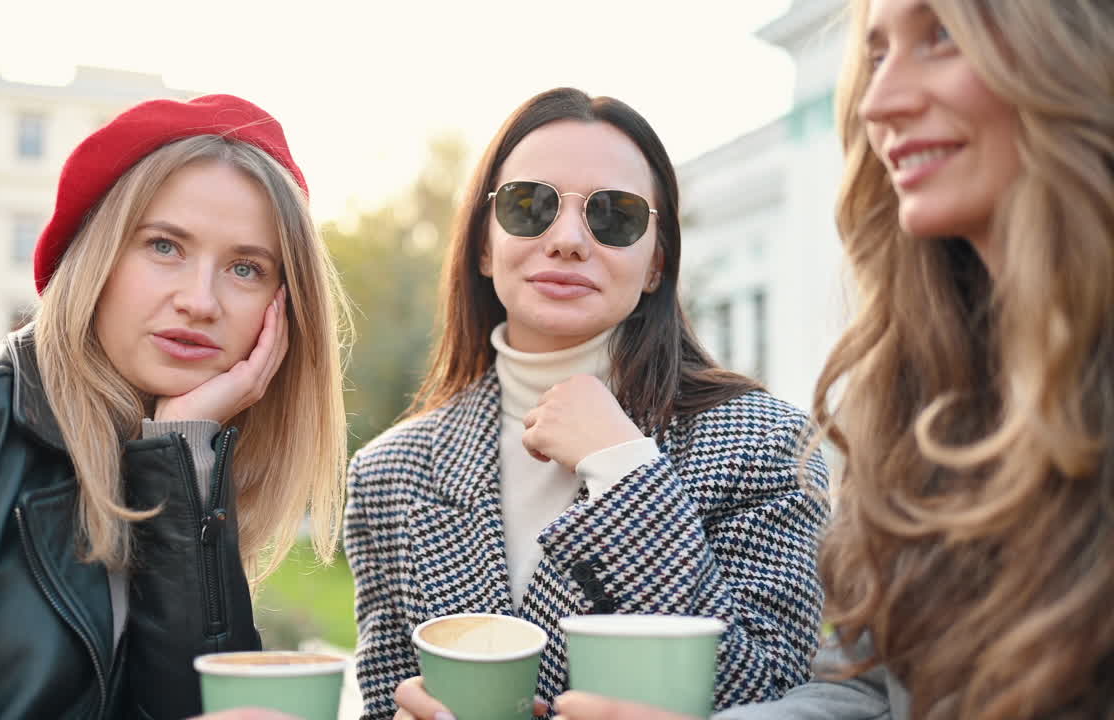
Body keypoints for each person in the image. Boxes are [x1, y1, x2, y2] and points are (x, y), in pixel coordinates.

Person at [550, 0, 1114, 718]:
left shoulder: (767, 442)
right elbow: (870, 685)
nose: (880, 100)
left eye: (942, 35)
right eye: (875, 56)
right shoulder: (922, 401)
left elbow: (764, 672)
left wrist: (624, 473)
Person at [0, 94, 350, 719]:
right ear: (96, 256)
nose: (200, 300)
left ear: (282, 310)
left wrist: (183, 448)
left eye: (245, 268)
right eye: (164, 246)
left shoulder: (194, 466)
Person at [344, 87, 831, 720]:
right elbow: (388, 699)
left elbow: (768, 693)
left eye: (615, 215)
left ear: (657, 260)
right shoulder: (391, 473)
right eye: (529, 206)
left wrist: (627, 473)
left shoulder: (767, 445)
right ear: (485, 245)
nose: (569, 238)